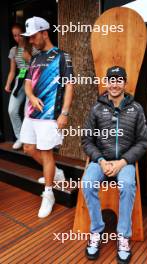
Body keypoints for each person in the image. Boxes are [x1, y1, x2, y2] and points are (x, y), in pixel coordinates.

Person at [81, 66, 147, 263]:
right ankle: (96, 230)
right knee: (87, 183)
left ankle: (122, 235)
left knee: (127, 185)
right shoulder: (96, 108)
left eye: (119, 80)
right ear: (106, 82)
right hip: (100, 160)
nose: (115, 84)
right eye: (111, 80)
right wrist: (101, 161)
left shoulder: (136, 109)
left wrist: (123, 161)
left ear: (124, 83)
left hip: (125, 161)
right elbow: (87, 140)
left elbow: (143, 142)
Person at [20, 17, 74, 218]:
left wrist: (65, 113)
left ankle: (49, 194)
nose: (31, 41)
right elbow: (26, 83)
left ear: (44, 33)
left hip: (50, 115)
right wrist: (31, 96)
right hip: (31, 114)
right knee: (28, 148)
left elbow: (69, 85)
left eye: (33, 36)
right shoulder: (33, 58)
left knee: (47, 153)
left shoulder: (62, 56)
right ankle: (56, 174)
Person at [4, 24, 30, 149]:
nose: (17, 37)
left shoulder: (32, 47)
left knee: (27, 112)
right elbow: (12, 71)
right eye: (14, 35)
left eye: (19, 34)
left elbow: (39, 67)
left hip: (32, 80)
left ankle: (28, 139)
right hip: (20, 79)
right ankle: (20, 136)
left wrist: (28, 57)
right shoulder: (13, 50)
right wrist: (8, 83)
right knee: (12, 110)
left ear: (24, 33)